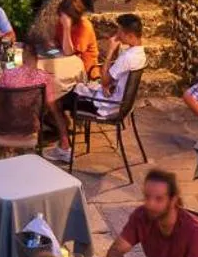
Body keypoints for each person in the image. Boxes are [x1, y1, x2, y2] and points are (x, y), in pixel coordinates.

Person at [48, 13, 146, 162]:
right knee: (69, 91)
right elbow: (113, 80)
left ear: (130, 35)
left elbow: (104, 80)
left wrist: (110, 51)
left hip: (107, 106)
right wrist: (110, 85)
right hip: (117, 102)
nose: (117, 35)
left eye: (120, 32)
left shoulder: (128, 58)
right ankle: (64, 139)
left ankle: (64, 147)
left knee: (54, 99)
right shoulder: (139, 54)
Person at [53, 0, 99, 82]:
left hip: (85, 72)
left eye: (64, 15)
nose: (61, 17)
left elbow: (69, 53)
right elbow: (56, 43)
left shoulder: (85, 26)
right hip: (66, 64)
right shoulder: (61, 22)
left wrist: (66, 29)